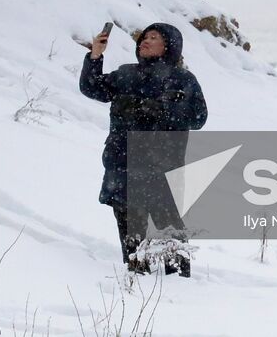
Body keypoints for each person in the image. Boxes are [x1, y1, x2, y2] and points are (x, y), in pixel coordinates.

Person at [79, 22, 207, 276]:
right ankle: (137, 276)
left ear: (168, 46)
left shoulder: (182, 79)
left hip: (160, 165)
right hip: (121, 161)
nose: (145, 41)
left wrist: (159, 109)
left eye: (154, 37)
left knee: (167, 224)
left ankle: (180, 278)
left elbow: (198, 118)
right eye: (144, 37)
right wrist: (95, 56)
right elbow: (92, 88)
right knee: (129, 226)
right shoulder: (126, 74)